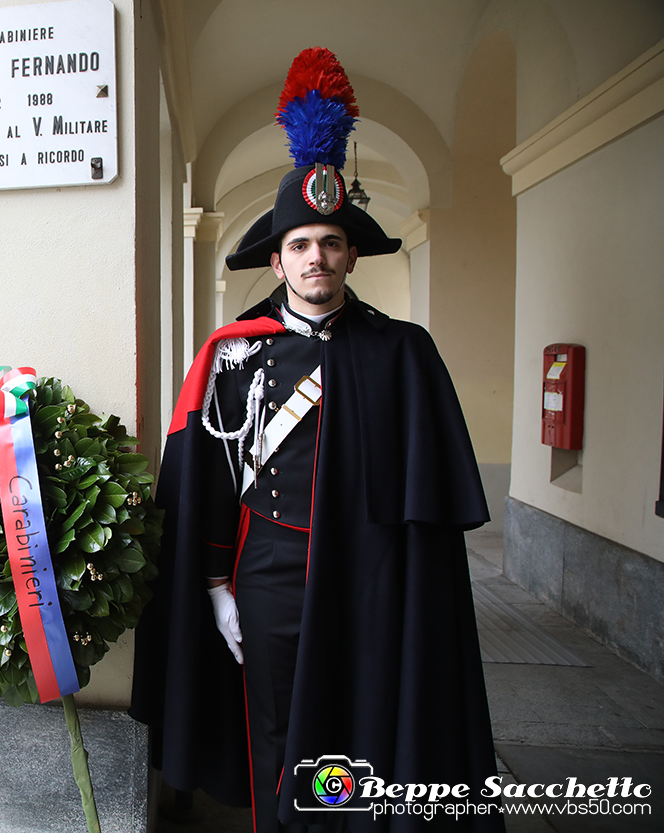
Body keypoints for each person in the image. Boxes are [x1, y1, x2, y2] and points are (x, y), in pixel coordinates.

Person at [130, 49, 502, 832]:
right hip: (269, 573)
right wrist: (213, 586)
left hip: (373, 572)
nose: (316, 258)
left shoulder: (403, 353)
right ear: (277, 258)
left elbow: (431, 505)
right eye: (300, 245)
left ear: (350, 253)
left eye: (330, 242)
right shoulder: (230, 352)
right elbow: (201, 480)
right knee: (276, 733)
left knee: (361, 731)